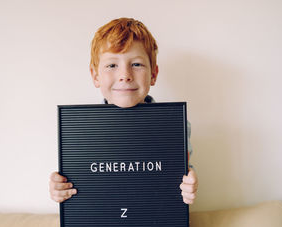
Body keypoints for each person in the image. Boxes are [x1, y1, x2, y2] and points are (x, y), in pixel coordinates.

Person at [49, 17, 198, 205]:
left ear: (153, 74)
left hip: (154, 226)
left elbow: (179, 177)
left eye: (136, 64)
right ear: (95, 76)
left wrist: (189, 184)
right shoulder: (81, 133)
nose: (125, 76)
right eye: (112, 65)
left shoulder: (175, 127)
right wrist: (60, 188)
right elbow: (81, 181)